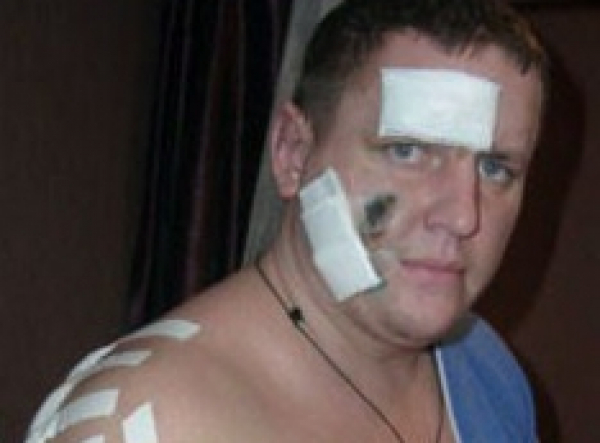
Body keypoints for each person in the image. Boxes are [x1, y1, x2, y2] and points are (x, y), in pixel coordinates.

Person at [27, 0, 548, 441]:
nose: (462, 215)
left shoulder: (484, 371)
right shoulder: (146, 419)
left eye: (495, 168)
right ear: (293, 153)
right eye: (407, 151)